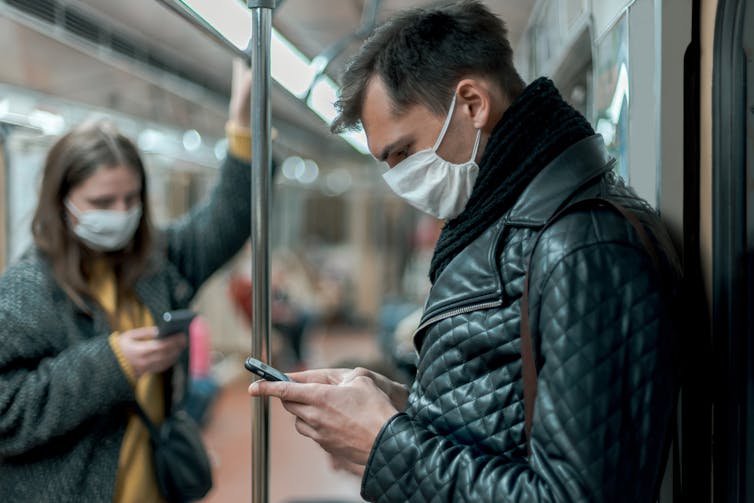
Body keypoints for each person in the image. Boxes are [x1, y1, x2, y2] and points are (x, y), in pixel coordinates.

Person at [249, 1, 681, 502]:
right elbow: (511, 422)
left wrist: (384, 445)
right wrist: (407, 407)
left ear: (473, 103)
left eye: (403, 152)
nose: (398, 178)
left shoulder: (581, 246)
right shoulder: (513, 225)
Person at [0, 60, 254, 502]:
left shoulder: (155, 260)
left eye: (130, 198)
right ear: (61, 203)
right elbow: (7, 413)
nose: (120, 214)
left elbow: (227, 221)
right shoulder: (26, 291)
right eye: (102, 201)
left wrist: (244, 126)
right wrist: (113, 361)